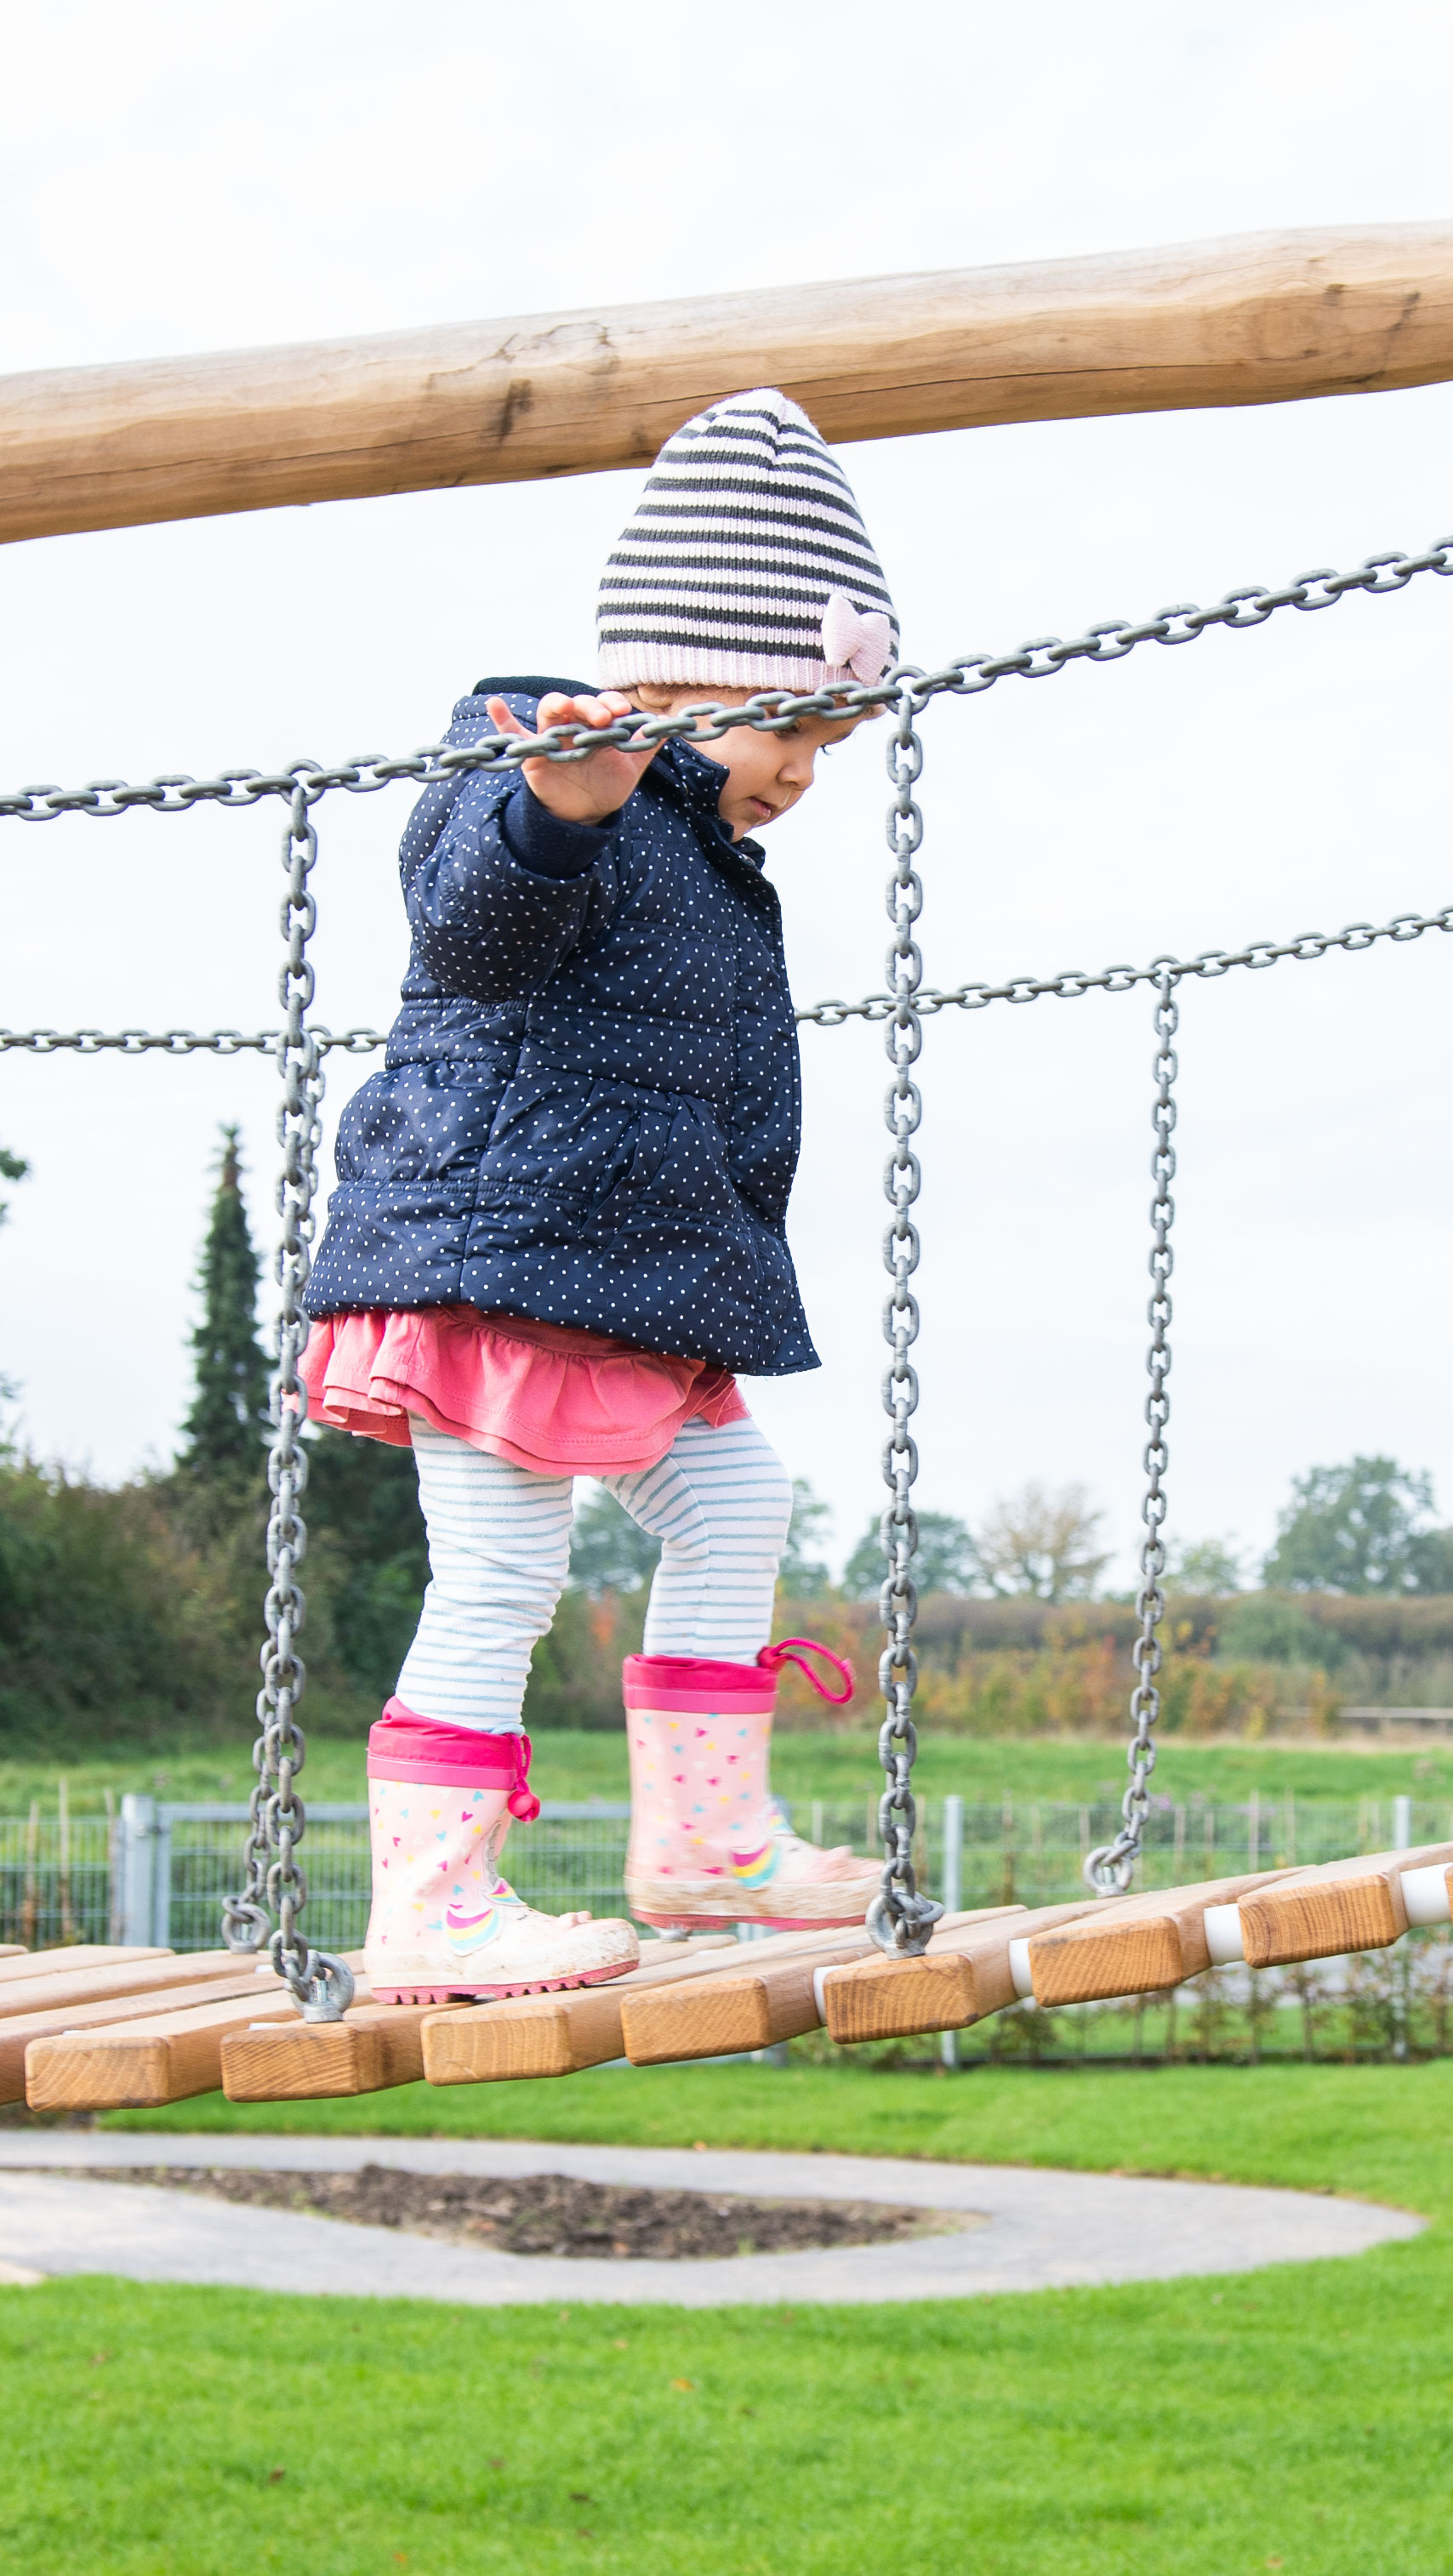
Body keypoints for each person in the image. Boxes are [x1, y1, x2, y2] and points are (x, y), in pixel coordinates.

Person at [300, 388, 899, 2004]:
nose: (808, 775)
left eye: (834, 746)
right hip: (496, 1254)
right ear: (687, 682)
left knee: (734, 1501)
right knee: (499, 1567)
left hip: (630, 1269)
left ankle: (706, 1844)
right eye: (795, 732)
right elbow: (470, 930)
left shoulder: (706, 856)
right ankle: (433, 1902)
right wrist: (559, 809)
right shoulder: (545, 771)